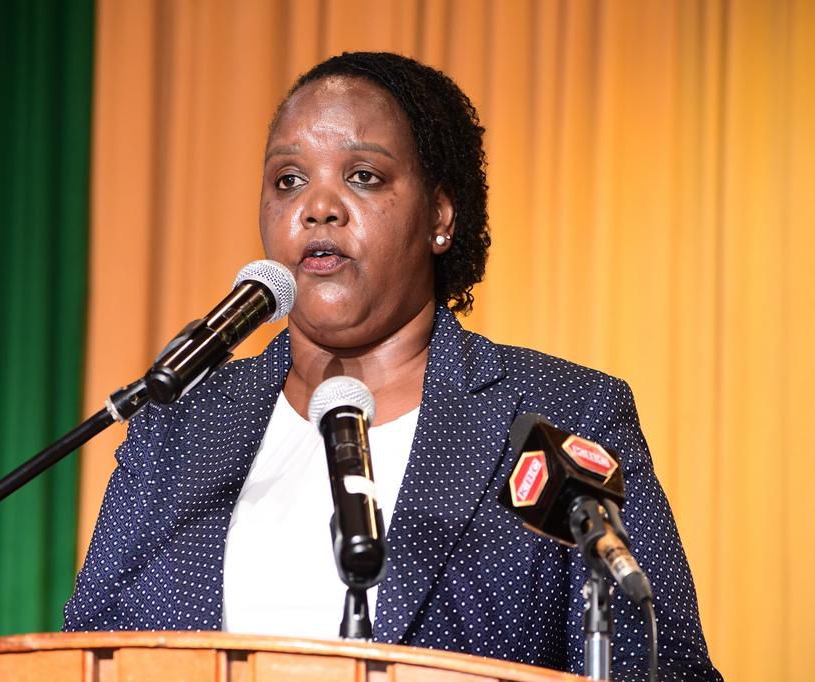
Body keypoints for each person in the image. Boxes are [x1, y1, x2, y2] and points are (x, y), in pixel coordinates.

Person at [64, 51, 722, 680]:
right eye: (288, 180)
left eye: (363, 176)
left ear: (440, 216)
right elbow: (86, 653)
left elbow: (661, 668)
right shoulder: (181, 425)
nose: (317, 206)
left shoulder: (560, 414)